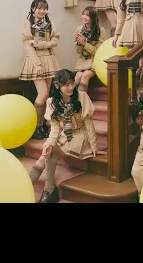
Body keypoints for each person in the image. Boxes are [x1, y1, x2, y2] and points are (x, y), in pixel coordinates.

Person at [28, 69, 99, 203]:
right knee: (49, 148)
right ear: (57, 86)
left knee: (49, 152)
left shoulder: (81, 96)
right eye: (67, 85)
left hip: (81, 135)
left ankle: (40, 185)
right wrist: (48, 144)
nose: (71, 87)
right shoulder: (52, 102)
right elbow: (55, 129)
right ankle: (48, 188)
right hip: (66, 135)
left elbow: (89, 123)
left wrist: (94, 145)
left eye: (72, 83)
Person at [19, 0, 61, 140]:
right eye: (39, 8)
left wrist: (41, 44)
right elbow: (29, 46)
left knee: (47, 94)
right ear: (33, 9)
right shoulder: (27, 23)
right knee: (42, 95)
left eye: (44, 8)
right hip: (35, 60)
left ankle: (42, 125)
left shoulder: (50, 23)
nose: (42, 11)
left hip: (49, 59)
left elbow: (55, 40)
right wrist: (37, 65)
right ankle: (36, 126)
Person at [73, 5, 106, 92]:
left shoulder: (101, 30)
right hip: (82, 60)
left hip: (94, 61)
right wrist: (79, 43)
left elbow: (97, 51)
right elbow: (78, 51)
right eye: (83, 14)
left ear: (93, 17)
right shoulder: (79, 29)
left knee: (85, 76)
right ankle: (72, 98)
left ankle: (81, 99)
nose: (84, 17)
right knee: (77, 77)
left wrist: (84, 44)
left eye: (87, 15)